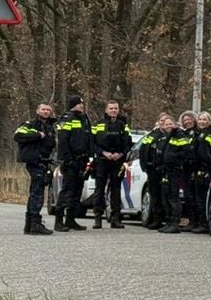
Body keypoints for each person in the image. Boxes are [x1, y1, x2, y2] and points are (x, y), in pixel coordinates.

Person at [14, 102, 56, 236]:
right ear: (37, 111)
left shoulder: (50, 127)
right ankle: (35, 224)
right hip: (34, 161)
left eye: (48, 110)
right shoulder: (30, 124)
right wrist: (37, 135)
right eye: (43, 109)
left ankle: (30, 224)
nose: (46, 112)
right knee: (37, 193)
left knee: (36, 191)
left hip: (44, 161)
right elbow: (18, 135)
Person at [91, 99, 132, 229]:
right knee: (99, 190)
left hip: (118, 161)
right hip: (102, 161)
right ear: (106, 110)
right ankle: (98, 217)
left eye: (115, 108)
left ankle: (115, 218)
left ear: (118, 110)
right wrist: (104, 153)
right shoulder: (98, 124)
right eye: (111, 108)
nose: (113, 111)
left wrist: (120, 154)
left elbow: (128, 143)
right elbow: (92, 142)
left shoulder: (123, 124)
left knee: (116, 189)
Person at [54, 94, 93, 232]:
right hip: (71, 161)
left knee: (77, 191)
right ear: (73, 105)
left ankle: (70, 219)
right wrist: (68, 159)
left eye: (82, 103)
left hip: (82, 160)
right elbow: (63, 141)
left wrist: (89, 156)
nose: (82, 106)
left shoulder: (84, 119)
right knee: (67, 190)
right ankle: (58, 220)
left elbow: (88, 139)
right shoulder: (67, 118)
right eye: (79, 104)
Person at [158, 111, 199, 234]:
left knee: (174, 198)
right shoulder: (168, 136)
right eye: (166, 124)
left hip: (176, 170)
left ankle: (175, 223)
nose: (168, 126)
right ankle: (169, 222)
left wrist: (175, 160)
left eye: (170, 123)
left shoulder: (180, 135)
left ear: (175, 124)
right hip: (167, 171)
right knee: (168, 196)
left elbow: (186, 152)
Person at [138, 114, 175, 230]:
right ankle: (156, 219)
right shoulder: (152, 135)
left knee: (164, 195)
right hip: (152, 169)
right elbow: (142, 149)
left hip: (165, 170)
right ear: (158, 122)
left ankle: (167, 220)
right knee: (154, 195)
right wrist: (144, 166)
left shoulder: (172, 135)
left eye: (166, 121)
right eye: (161, 121)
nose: (163, 123)